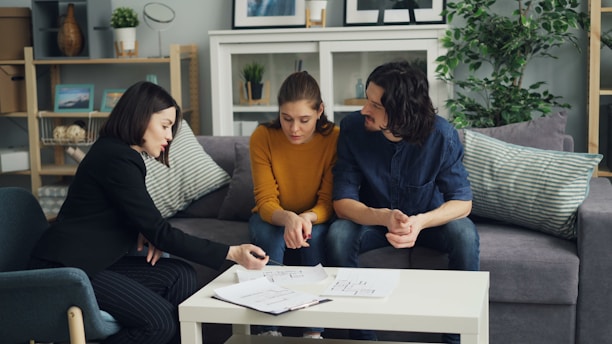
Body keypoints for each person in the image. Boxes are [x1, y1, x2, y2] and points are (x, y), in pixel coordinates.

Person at [29, 81, 268, 344]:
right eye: (165, 126)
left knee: (180, 276)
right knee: (159, 323)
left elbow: (129, 216)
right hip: (68, 268)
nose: (169, 136)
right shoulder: (117, 158)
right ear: (141, 117)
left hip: (96, 261)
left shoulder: (122, 154)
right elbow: (159, 230)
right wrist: (231, 252)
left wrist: (142, 230)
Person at [326, 61, 480, 344]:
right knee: (338, 234)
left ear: (400, 112)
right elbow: (343, 202)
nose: (364, 110)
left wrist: (420, 222)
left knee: (465, 234)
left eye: (374, 105)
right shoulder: (352, 129)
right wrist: (383, 217)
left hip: (428, 223)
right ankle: (364, 338)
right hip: (376, 223)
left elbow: (462, 201)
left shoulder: (441, 135)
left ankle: (456, 339)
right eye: (366, 101)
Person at [248, 71, 339, 339]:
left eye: (304, 120)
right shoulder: (262, 136)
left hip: (315, 217)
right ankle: (269, 330)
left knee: (315, 237)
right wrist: (288, 218)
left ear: (320, 110)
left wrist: (305, 219)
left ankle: (313, 332)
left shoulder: (334, 137)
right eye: (286, 119)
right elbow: (265, 200)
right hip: (272, 217)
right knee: (268, 236)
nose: (294, 128)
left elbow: (328, 201)